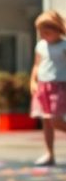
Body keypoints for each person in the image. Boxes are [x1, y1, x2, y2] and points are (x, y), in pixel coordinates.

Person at [30, 10, 66, 166]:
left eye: (47, 31)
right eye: (40, 32)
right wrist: (33, 81)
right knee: (46, 120)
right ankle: (49, 154)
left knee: (56, 120)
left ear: (57, 29)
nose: (43, 35)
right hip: (43, 86)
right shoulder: (41, 46)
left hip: (59, 85)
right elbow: (37, 65)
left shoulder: (64, 46)